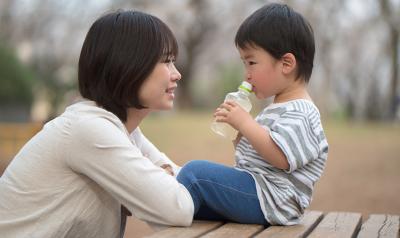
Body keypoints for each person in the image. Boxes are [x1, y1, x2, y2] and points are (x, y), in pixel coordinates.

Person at [0, 10, 194, 238]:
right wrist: (165, 178)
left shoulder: (122, 130)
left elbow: (186, 186)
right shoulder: (89, 129)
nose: (177, 74)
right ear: (128, 65)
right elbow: (178, 208)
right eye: (166, 61)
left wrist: (166, 177)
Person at [177, 3, 328, 226]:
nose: (246, 74)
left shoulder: (302, 112)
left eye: (251, 62)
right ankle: (167, 202)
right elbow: (254, 155)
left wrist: (245, 122)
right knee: (194, 202)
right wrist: (237, 131)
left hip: (273, 199)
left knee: (195, 175)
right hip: (260, 194)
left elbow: (281, 158)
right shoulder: (277, 108)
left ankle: (158, 202)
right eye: (244, 63)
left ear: (286, 63)